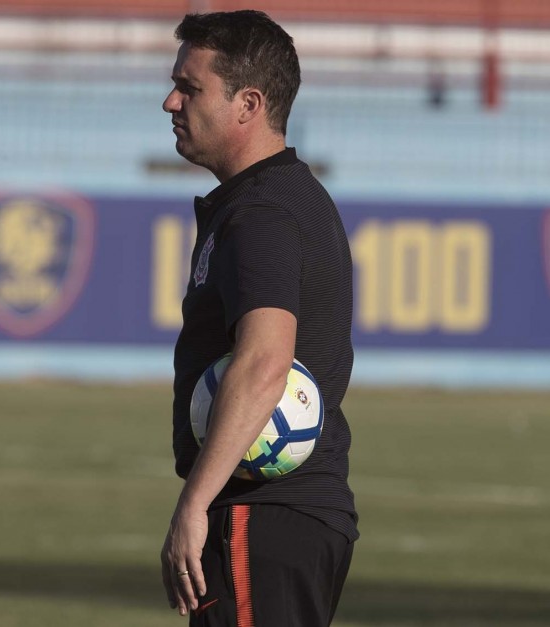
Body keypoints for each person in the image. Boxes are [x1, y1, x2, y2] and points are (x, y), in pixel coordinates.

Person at [159, 11, 358, 627]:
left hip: (260, 514)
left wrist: (195, 504)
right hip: (285, 520)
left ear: (248, 103)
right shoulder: (281, 196)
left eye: (190, 88)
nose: (169, 101)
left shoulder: (262, 213)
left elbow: (266, 360)